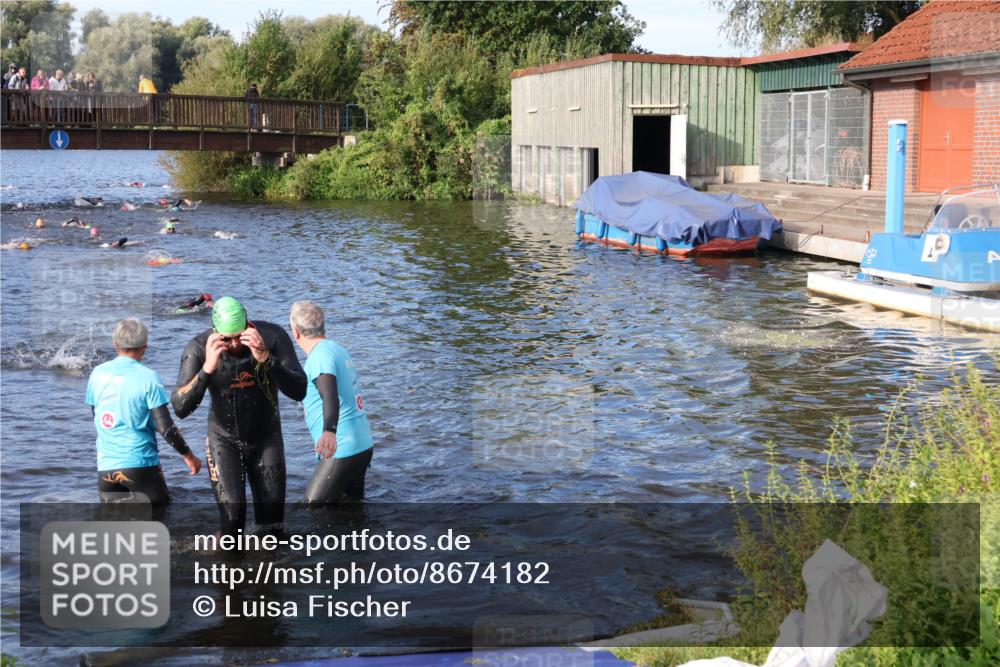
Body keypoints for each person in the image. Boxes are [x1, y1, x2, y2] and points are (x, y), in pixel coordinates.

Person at [171, 297, 306, 534]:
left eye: (239, 335)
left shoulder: (272, 337)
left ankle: (272, 571)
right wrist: (207, 369)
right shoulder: (199, 348)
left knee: (273, 526)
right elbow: (181, 408)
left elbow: (299, 390)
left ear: (248, 324)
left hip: (267, 439)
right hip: (224, 441)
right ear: (215, 331)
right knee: (233, 522)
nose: (234, 344)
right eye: (226, 338)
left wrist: (267, 360)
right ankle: (229, 570)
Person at [86, 318, 202, 513]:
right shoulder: (149, 377)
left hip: (106, 469)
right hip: (140, 465)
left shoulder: (97, 374)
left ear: (115, 344)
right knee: (160, 523)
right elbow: (166, 427)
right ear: (145, 346)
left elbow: (97, 414)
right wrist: (189, 456)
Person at [289, 300, 374, 503]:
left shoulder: (320, 356)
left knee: (313, 508)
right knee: (350, 512)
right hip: (361, 444)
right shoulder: (336, 348)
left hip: (342, 447)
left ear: (296, 331)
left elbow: (330, 394)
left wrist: (329, 431)